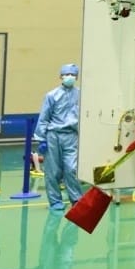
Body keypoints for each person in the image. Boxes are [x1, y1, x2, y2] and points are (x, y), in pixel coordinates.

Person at [35, 63, 84, 211]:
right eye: (66, 74)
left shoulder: (81, 95)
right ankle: (55, 201)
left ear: (76, 77)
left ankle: (76, 199)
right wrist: (41, 138)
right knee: (53, 170)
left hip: (72, 136)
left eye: (72, 75)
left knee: (72, 169)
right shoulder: (52, 96)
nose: (70, 77)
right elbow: (44, 118)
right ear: (60, 76)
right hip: (53, 136)